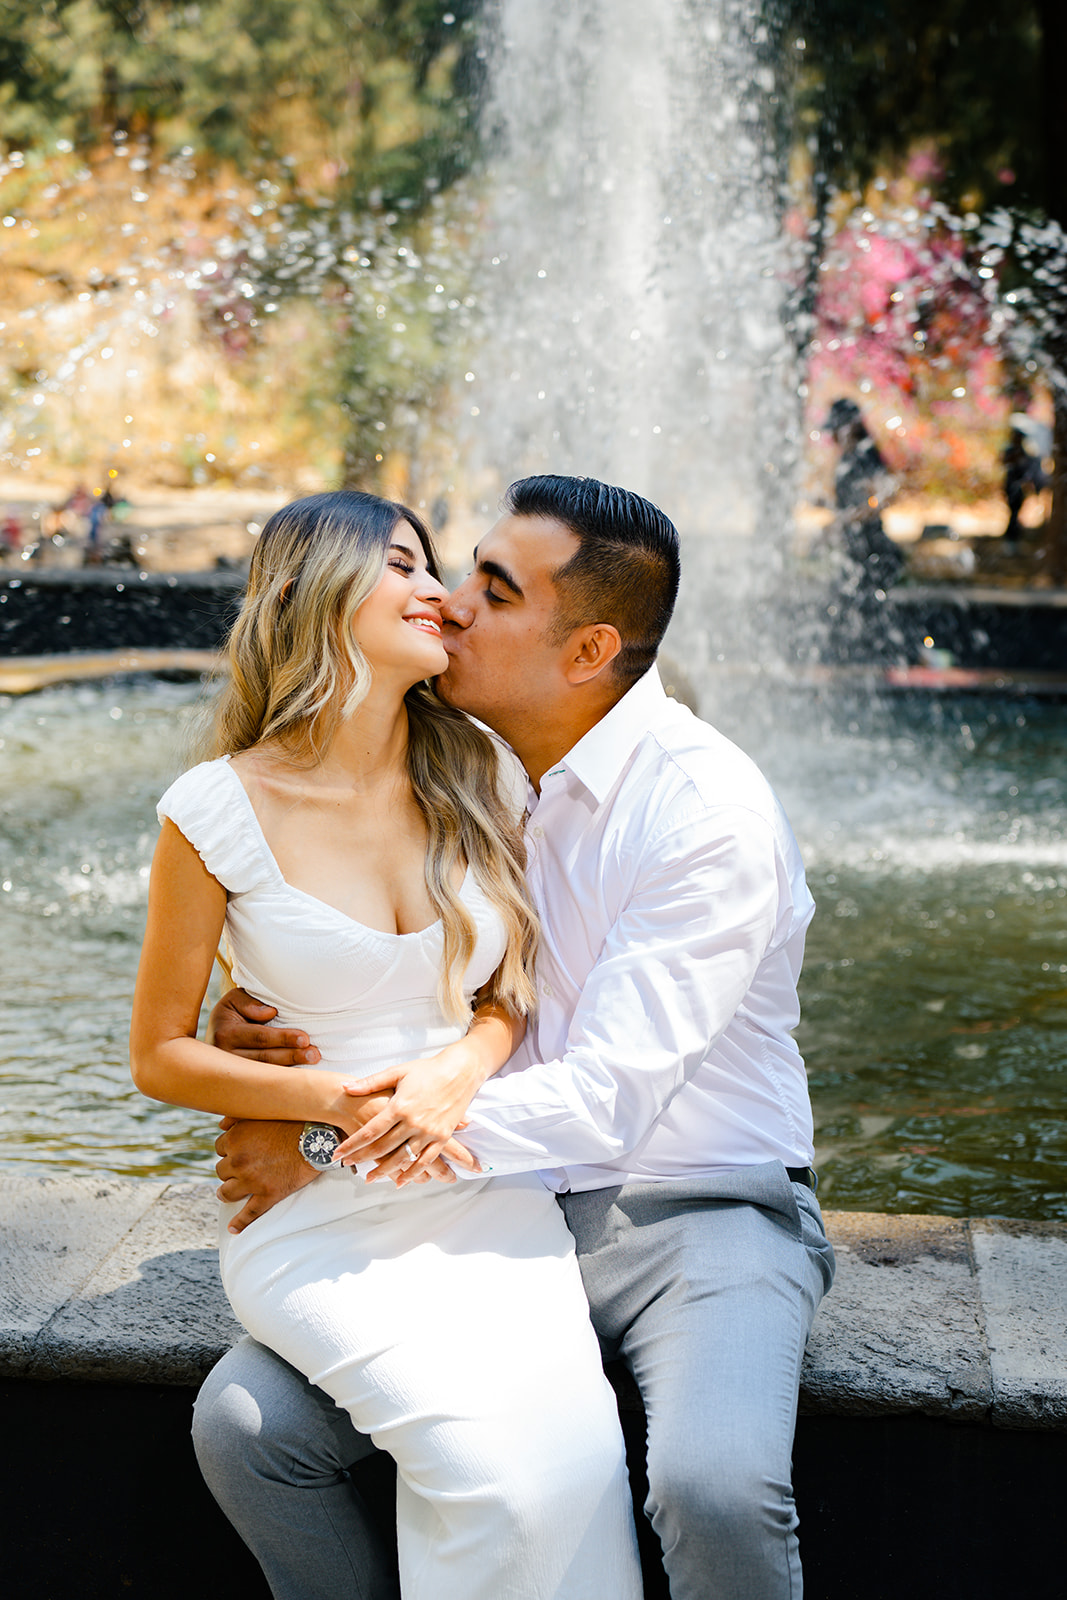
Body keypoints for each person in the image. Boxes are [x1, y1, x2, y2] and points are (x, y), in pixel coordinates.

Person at [198, 475, 836, 1600]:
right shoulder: (464, 762)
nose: (444, 604)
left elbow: (602, 1101)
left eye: (491, 590)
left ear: (588, 648)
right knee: (248, 1426)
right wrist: (260, 1030)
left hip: (697, 1205)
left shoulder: (706, 812)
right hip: (487, 1202)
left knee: (714, 1483)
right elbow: (369, 947)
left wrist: (320, 1146)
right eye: (461, 570)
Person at [129, 488, 642, 1600]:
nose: (437, 595)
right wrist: (324, 1103)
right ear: (318, 586)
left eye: (435, 568)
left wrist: (461, 1066)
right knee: (482, 1471)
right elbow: (159, 1053)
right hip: (316, 1214)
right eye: (403, 566)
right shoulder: (214, 808)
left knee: (577, 1464)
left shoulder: (478, 771)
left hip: (485, 1186)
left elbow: (509, 994)